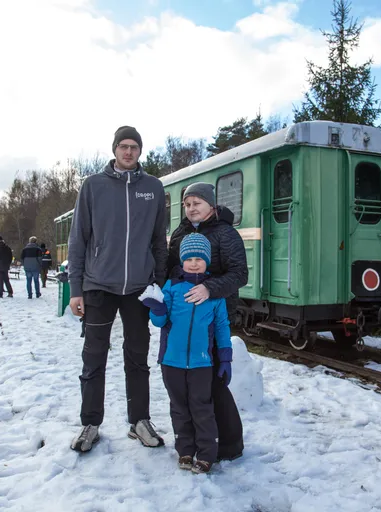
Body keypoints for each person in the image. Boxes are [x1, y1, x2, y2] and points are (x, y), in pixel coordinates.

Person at [67, 125, 168, 453]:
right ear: (114, 150)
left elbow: (158, 240)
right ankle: (90, 424)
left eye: (134, 147)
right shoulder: (93, 186)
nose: (128, 152)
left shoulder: (153, 188)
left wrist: (158, 282)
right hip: (98, 286)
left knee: (137, 358)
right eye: (123, 146)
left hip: (139, 287)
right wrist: (76, 288)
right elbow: (78, 238)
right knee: (93, 357)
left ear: (140, 151)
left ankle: (139, 421)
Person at [167, 182, 248, 461]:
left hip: (213, 318)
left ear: (210, 205)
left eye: (197, 203)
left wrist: (209, 288)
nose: (191, 209)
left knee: (212, 382)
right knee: (186, 385)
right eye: (187, 204)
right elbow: (170, 267)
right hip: (182, 319)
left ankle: (229, 443)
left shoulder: (226, 234)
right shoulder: (181, 233)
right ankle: (192, 443)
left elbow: (240, 274)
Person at [141, 234, 232, 474]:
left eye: (199, 259)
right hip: (172, 362)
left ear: (207, 261)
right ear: (181, 261)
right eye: (189, 258)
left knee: (202, 408)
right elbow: (160, 322)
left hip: (202, 363)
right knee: (179, 408)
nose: (193, 263)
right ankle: (185, 450)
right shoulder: (172, 287)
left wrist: (225, 358)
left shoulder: (213, 293)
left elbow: (222, 326)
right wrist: (158, 309)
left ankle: (206, 454)